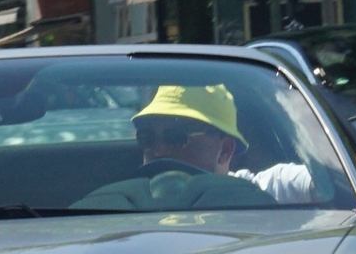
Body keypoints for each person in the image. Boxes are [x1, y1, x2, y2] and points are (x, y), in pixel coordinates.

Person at [73, 84, 317, 211]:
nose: (157, 150)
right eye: (147, 138)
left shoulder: (266, 191)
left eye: (175, 137)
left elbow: (338, 178)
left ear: (225, 150)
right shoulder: (122, 206)